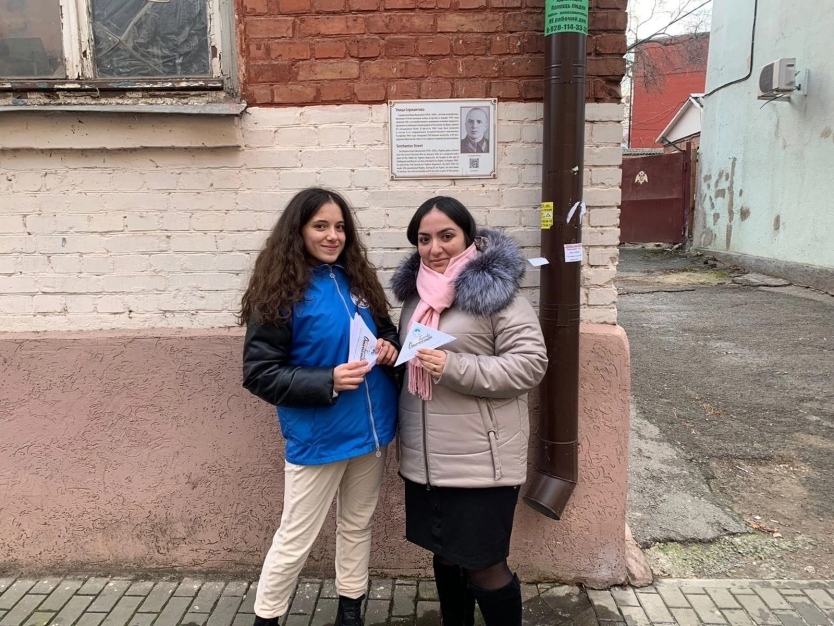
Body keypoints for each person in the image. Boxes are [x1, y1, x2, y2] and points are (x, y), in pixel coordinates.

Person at [239, 188, 401, 626]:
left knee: (357, 525)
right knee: (296, 537)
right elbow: (259, 373)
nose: (333, 236)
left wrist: (389, 347)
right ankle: (267, 618)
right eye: (321, 226)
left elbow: (385, 331)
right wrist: (327, 380)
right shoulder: (279, 292)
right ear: (298, 230)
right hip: (320, 436)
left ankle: (351, 610)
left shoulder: (357, 279)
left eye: (340, 227)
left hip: (372, 430)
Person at [391, 196, 548, 626]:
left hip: (481, 463)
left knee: (485, 566)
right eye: (424, 239)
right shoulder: (416, 297)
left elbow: (530, 365)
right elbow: (410, 363)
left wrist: (453, 367)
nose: (434, 248)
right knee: (445, 557)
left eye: (446, 236)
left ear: (469, 238)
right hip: (428, 462)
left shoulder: (499, 296)